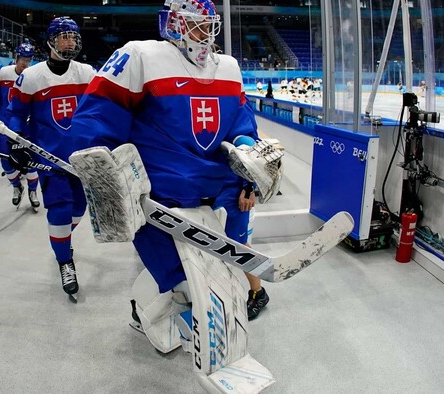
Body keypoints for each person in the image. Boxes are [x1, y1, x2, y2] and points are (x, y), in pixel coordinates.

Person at [67, 0, 283, 368]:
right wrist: (101, 165)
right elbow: (99, 114)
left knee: (225, 279)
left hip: (217, 191)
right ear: (174, 24)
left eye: (209, 25)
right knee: (186, 285)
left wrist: (249, 165)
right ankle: (154, 313)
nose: (206, 34)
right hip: (161, 194)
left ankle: (184, 320)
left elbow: (241, 126)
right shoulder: (140, 55)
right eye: (196, 25)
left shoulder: (228, 67)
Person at [6, 17, 95, 300]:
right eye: (64, 37)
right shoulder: (32, 77)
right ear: (50, 42)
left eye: (73, 37)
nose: (70, 42)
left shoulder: (87, 73)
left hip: (81, 158)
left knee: (79, 209)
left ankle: (62, 240)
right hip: (49, 158)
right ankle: (64, 262)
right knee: (59, 208)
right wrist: (16, 141)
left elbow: (101, 111)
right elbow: (16, 114)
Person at [0, 42, 40, 209]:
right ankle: (17, 186)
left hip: (26, 125)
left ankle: (33, 191)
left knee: (31, 161)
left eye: (29, 60)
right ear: (16, 58)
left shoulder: (33, 76)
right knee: (6, 161)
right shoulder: (4, 73)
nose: (25, 63)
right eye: (23, 59)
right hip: (6, 124)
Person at [213, 171, 269, 320]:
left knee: (239, 246)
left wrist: (249, 189)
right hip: (211, 189)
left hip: (234, 194)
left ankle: (258, 293)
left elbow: (252, 158)